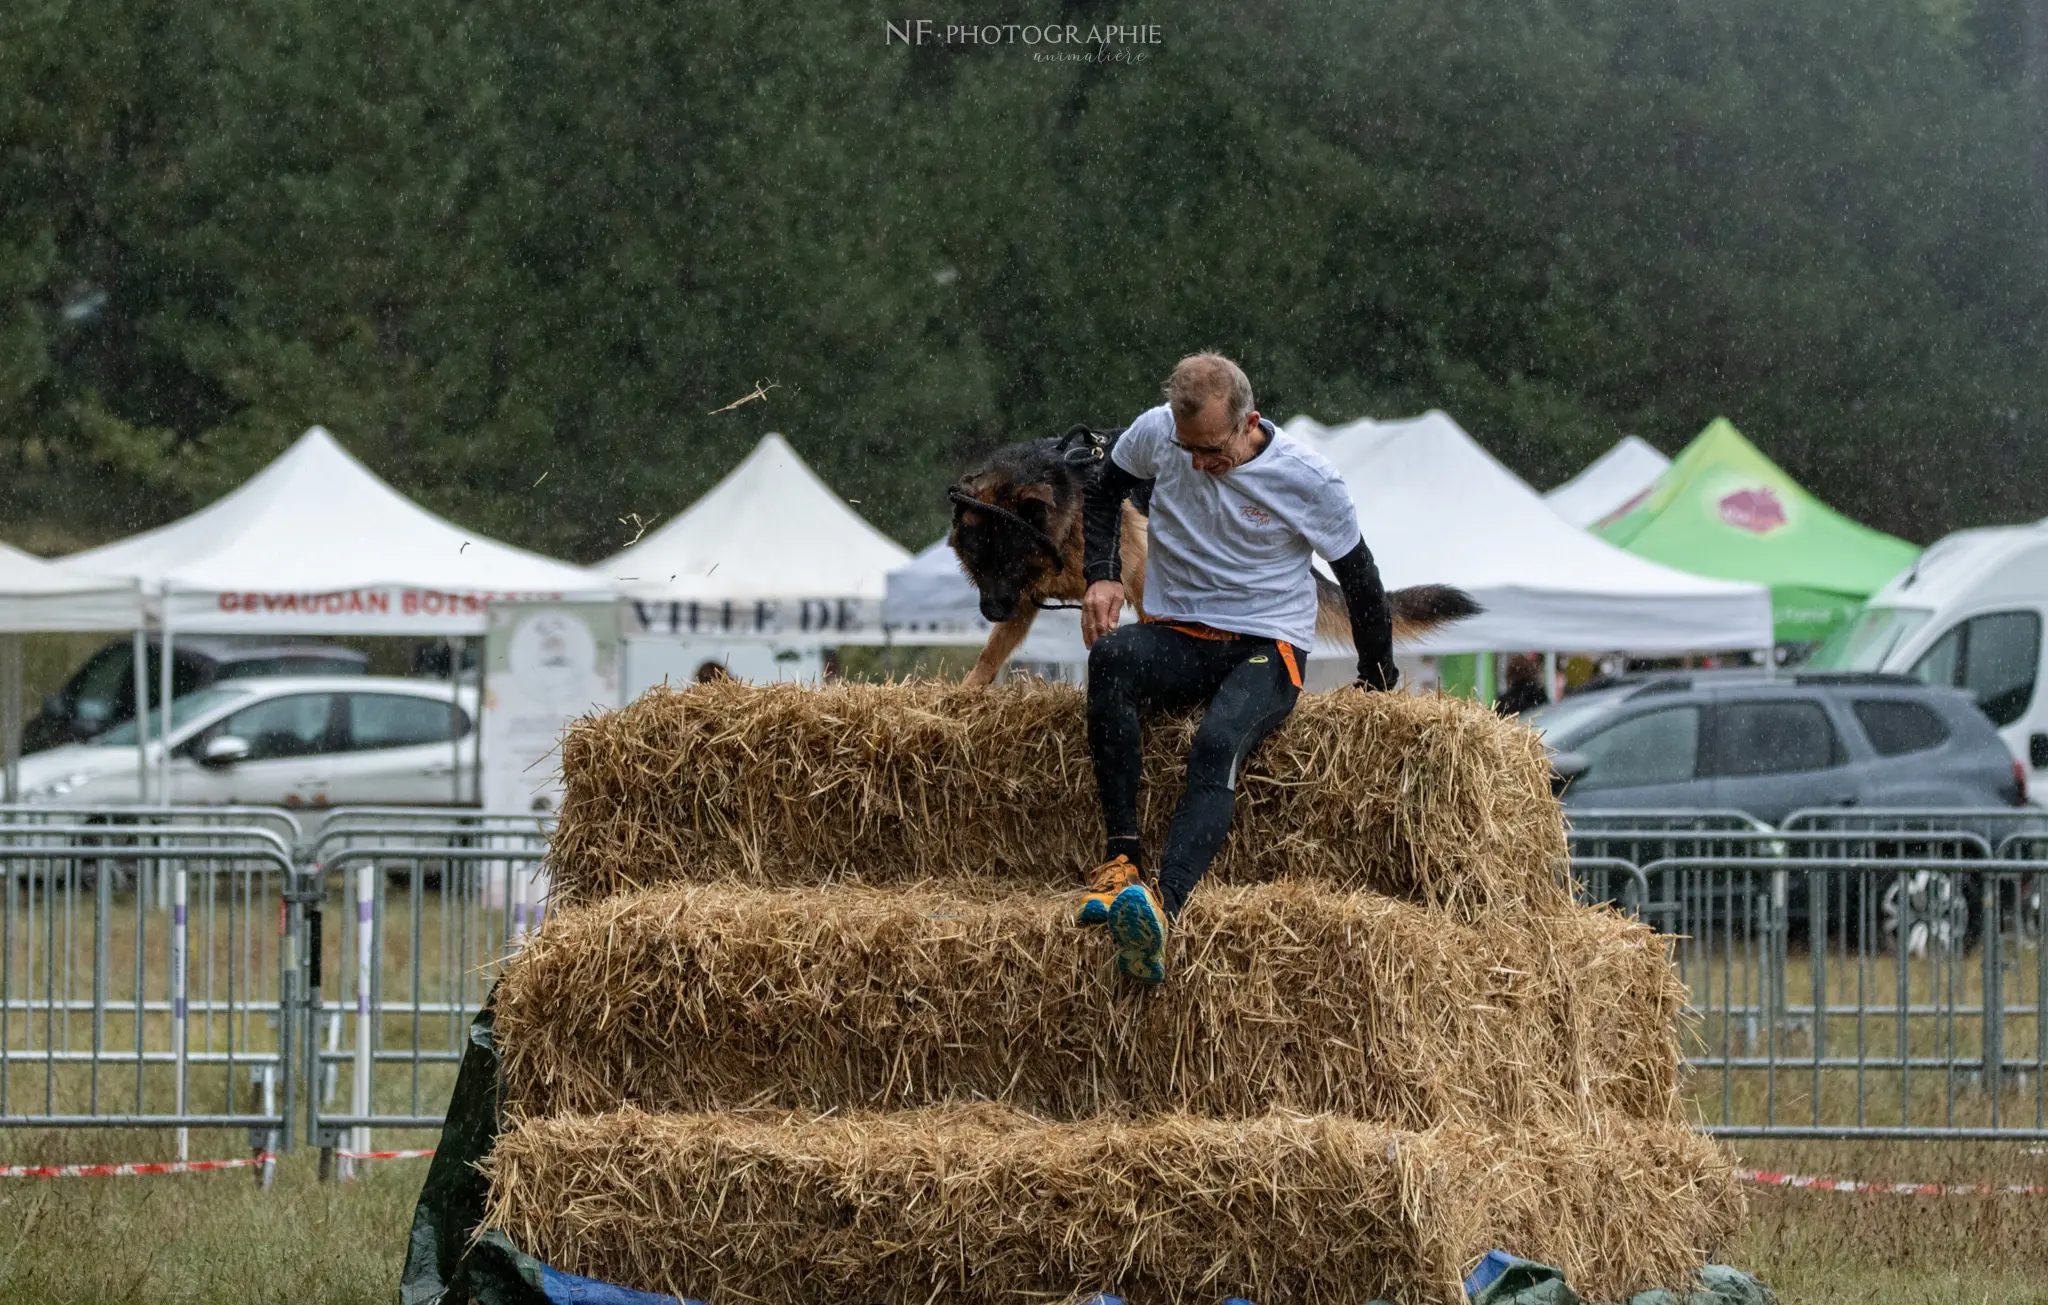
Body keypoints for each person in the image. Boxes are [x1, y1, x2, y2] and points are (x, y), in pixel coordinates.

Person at [1076, 353, 1398, 983]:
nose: (1199, 464)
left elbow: (1360, 579)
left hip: (1266, 643)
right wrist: (1102, 575)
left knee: (1216, 742)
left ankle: (1163, 910)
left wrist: (1378, 681)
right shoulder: (1156, 432)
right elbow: (1104, 487)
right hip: (1182, 632)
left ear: (1249, 421)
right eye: (1187, 449)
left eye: (1213, 452)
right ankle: (1121, 863)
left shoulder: (1309, 478)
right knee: (1111, 657)